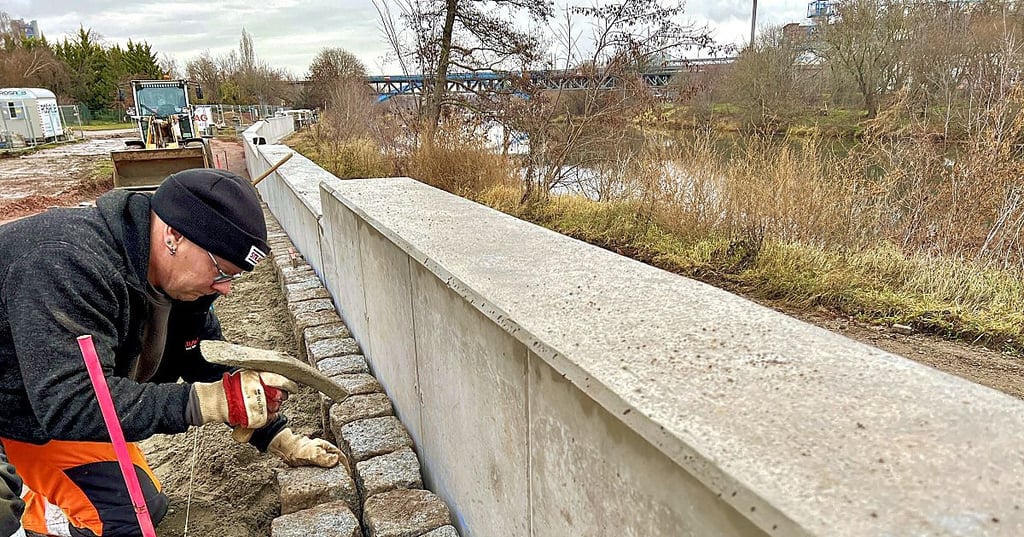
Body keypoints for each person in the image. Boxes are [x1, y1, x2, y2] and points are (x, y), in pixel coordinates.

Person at [0, 168, 343, 537]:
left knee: (139, 508)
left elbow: (203, 361)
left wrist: (275, 435)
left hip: (44, 402)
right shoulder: (67, 264)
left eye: (232, 277)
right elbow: (73, 402)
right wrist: (205, 403)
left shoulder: (180, 284)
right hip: (41, 403)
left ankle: (43, 518)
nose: (224, 289)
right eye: (220, 271)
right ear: (174, 235)